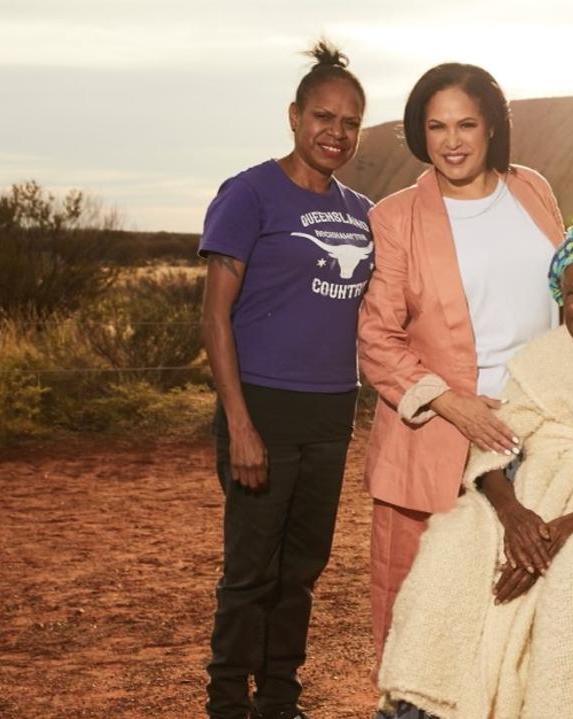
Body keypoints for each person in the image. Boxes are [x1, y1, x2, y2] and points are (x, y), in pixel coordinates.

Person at [375, 225, 573, 719]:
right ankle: (425, 703)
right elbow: (498, 450)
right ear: (559, 298)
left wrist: (560, 530)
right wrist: (514, 516)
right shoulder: (544, 356)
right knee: (454, 537)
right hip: (531, 493)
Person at [357, 63, 565, 666]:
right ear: (421, 133)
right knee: (422, 616)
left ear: (492, 127)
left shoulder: (533, 190)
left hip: (538, 431)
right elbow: (377, 336)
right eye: (437, 126)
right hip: (439, 437)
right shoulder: (396, 217)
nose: (452, 140)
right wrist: (452, 404)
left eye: (466, 124)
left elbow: (568, 293)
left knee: (520, 614)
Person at [198, 39, 373, 719]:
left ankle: (277, 700)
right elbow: (214, 318)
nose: (336, 133)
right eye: (323, 117)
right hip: (262, 409)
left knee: (300, 571)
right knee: (250, 573)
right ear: (294, 116)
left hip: (330, 414)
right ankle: (225, 704)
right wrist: (240, 424)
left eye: (350, 122)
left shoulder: (361, 210)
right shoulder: (249, 194)